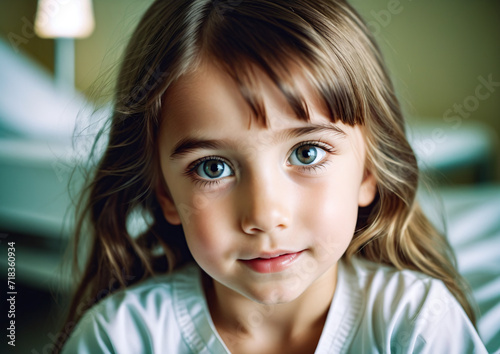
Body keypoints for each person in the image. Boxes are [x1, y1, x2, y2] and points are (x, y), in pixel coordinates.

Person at [57, 0, 487, 353]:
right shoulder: (121, 338)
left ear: (369, 170)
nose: (265, 215)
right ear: (165, 192)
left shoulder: (416, 325)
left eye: (307, 152)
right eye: (213, 167)